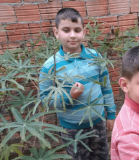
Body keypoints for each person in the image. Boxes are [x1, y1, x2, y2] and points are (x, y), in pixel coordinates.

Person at [39, 8, 116, 160]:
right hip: (71, 129)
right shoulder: (50, 66)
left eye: (77, 30)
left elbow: (105, 87)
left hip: (98, 123)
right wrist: (70, 96)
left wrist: (111, 114)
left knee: (102, 157)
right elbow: (45, 100)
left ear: (84, 32)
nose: (72, 35)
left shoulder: (95, 57)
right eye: (66, 30)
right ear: (56, 32)